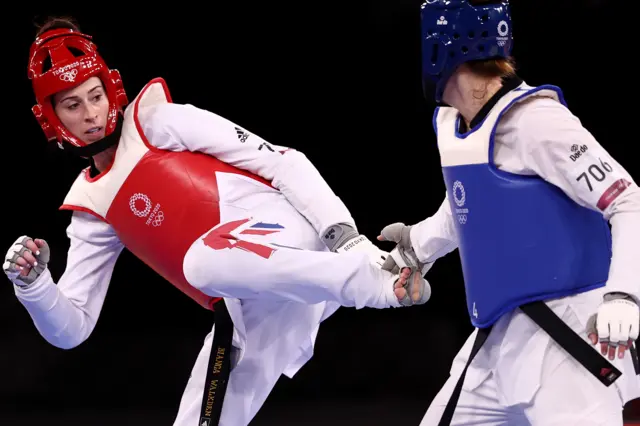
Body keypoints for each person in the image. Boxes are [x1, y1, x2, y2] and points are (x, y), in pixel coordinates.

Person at [3, 17, 430, 426]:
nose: (92, 114)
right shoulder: (91, 212)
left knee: (201, 263)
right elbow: (72, 329)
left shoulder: (157, 121)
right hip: (258, 298)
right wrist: (35, 286)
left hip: (298, 238)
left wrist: (346, 239)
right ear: (51, 117)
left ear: (112, 90)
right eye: (73, 105)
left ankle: (378, 281)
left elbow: (284, 162)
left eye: (95, 96)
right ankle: (385, 267)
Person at [377, 1, 640, 424]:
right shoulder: (453, 125)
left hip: (570, 340)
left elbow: (629, 200)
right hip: (496, 339)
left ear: (438, 50)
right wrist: (419, 246)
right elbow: (467, 203)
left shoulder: (537, 120)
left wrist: (625, 295)